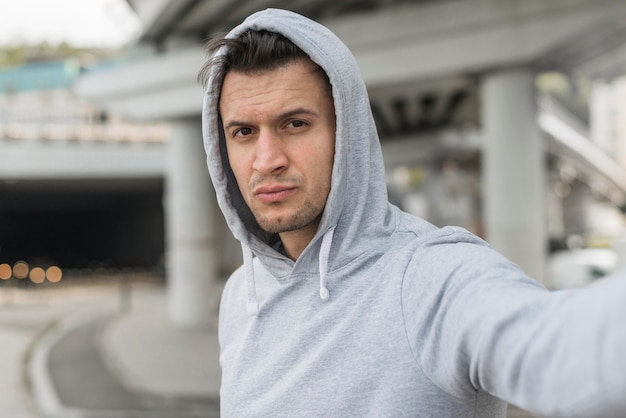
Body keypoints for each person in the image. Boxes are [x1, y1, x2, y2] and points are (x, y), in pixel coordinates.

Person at [198, 8, 626, 418]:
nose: (266, 159)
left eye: (295, 124)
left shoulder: (429, 275)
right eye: (244, 132)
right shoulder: (242, 294)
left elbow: (558, 346)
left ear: (347, 135)